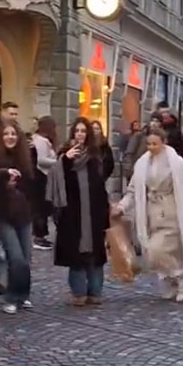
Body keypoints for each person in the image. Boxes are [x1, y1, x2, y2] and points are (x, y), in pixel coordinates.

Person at [113, 127, 183, 301]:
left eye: (155, 144)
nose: (151, 147)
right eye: (148, 144)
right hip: (151, 213)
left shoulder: (176, 163)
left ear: (163, 142)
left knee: (158, 250)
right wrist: (121, 207)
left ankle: (180, 279)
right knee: (153, 255)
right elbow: (132, 190)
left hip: (172, 212)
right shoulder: (142, 164)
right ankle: (171, 281)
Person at [55, 118, 111, 306]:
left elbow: (100, 185)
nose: (80, 134)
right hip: (72, 213)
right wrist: (65, 160)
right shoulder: (64, 155)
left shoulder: (94, 156)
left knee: (95, 253)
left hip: (93, 212)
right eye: (77, 131)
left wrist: (105, 214)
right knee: (76, 253)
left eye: (83, 131)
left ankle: (95, 291)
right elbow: (57, 182)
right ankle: (79, 292)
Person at [0, 119, 36, 314]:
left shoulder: (25, 158)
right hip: (2, 214)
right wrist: (5, 176)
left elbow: (32, 187)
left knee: (25, 257)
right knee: (15, 257)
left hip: (23, 214)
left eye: (13, 134)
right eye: (6, 134)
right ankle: (12, 296)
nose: (10, 137)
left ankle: (23, 295)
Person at [30, 116, 57, 250]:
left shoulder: (39, 140)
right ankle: (39, 236)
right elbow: (41, 160)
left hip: (43, 175)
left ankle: (41, 235)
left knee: (43, 207)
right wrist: (57, 161)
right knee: (41, 207)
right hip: (42, 175)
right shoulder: (41, 141)